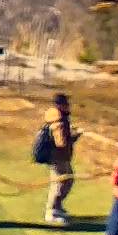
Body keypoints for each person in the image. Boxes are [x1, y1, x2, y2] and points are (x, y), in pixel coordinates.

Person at [44, 93, 81, 224]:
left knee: (68, 180)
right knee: (59, 184)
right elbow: (61, 142)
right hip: (58, 158)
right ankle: (51, 212)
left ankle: (57, 207)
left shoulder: (62, 118)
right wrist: (75, 136)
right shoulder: (57, 121)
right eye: (66, 104)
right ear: (60, 105)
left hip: (62, 157)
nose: (68, 106)